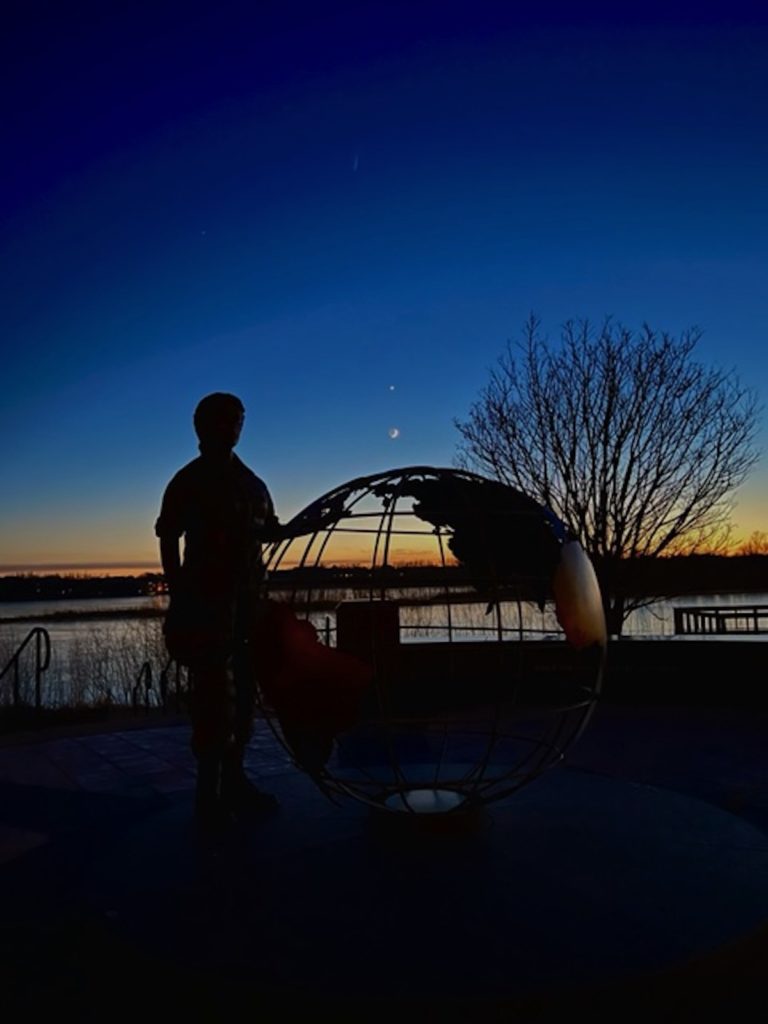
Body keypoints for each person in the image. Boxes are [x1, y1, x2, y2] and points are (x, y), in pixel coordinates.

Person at [155, 392, 282, 829]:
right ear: (201, 425)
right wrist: (180, 595)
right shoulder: (187, 481)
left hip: (250, 606)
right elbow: (168, 538)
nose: (232, 426)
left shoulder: (253, 483)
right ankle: (208, 795)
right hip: (208, 608)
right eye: (223, 419)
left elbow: (270, 531)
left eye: (238, 419)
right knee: (212, 703)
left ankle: (235, 781)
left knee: (244, 698)